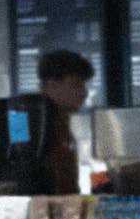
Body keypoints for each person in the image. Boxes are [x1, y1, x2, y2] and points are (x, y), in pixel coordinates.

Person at [35, 49, 95, 194]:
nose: (85, 92)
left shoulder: (61, 122)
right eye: (77, 85)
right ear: (52, 86)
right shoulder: (38, 127)